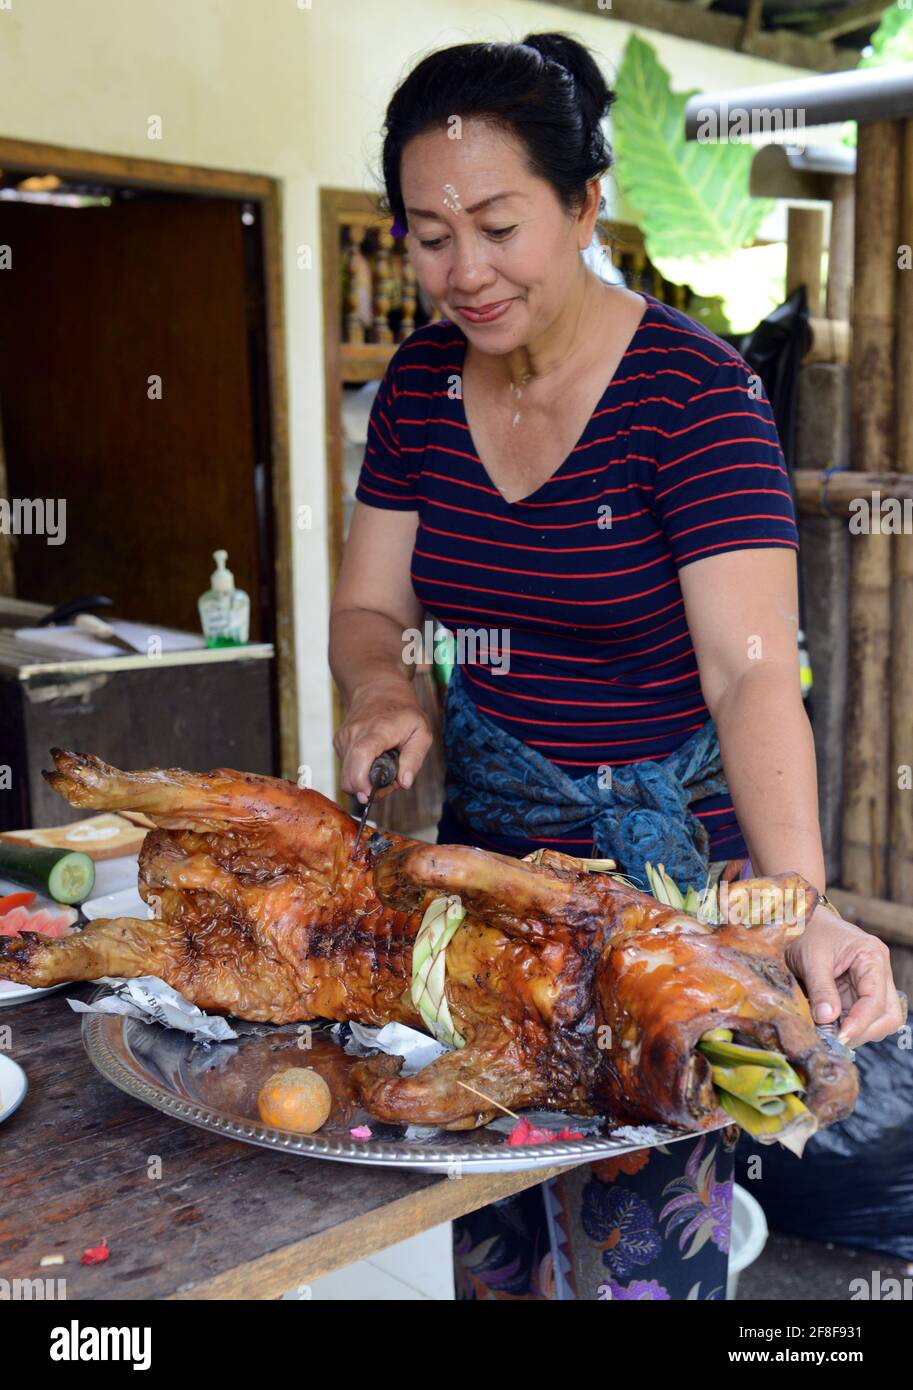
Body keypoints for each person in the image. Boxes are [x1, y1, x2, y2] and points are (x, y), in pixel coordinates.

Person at [328, 31, 902, 1301]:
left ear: (585, 202)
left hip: (670, 905)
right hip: (487, 892)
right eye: (429, 235)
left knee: (644, 1257)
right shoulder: (422, 387)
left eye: (496, 225)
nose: (462, 271)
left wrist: (794, 898)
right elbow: (370, 605)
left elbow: (751, 673)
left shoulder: (693, 398)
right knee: (491, 1233)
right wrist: (382, 686)